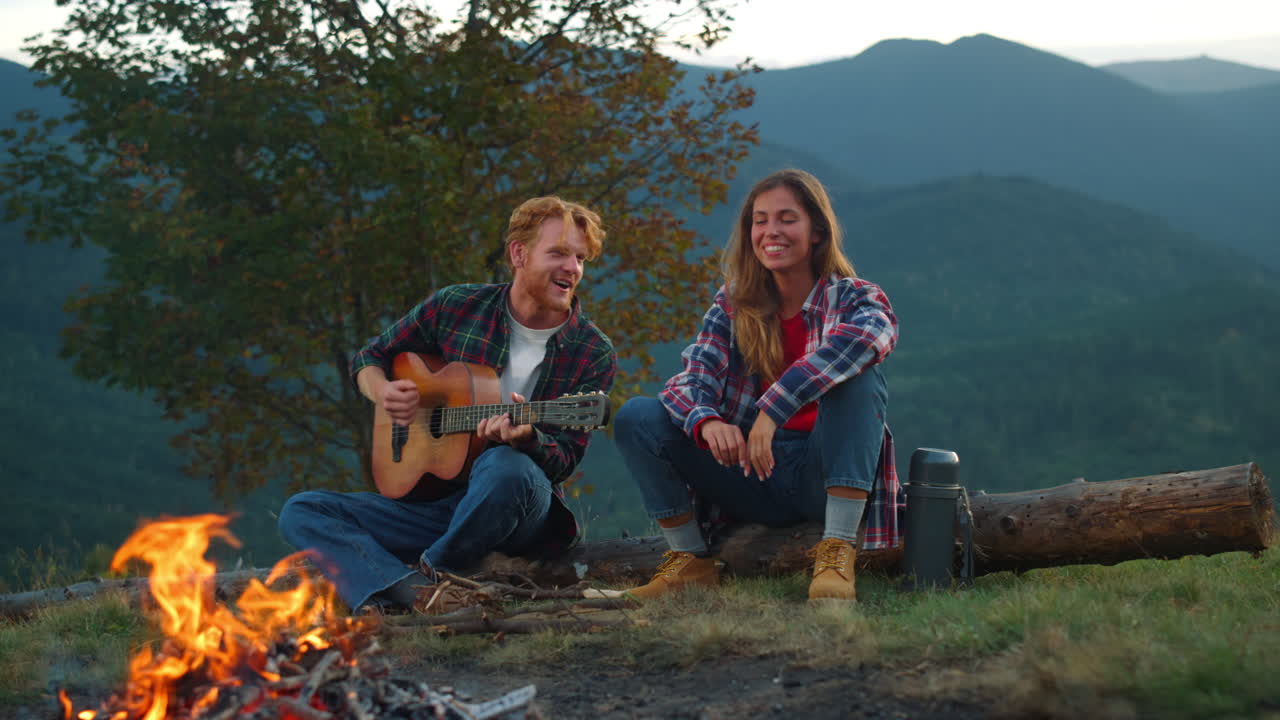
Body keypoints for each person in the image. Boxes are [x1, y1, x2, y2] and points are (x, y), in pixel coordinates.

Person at [278, 196, 616, 615]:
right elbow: (370, 357)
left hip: (515, 507)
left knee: (504, 467)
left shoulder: (592, 350)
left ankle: (431, 574)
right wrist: (382, 391)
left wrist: (528, 440)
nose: (573, 269)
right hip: (432, 508)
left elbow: (564, 459)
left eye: (580, 258)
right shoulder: (457, 306)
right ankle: (413, 591)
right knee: (303, 510)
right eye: (559, 253)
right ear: (519, 253)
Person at [614, 169, 900, 604]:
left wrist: (773, 409)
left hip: (820, 476)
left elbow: (873, 338)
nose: (771, 231)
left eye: (787, 219)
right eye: (760, 220)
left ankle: (837, 550)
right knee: (637, 416)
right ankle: (691, 561)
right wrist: (707, 422)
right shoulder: (734, 303)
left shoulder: (854, 297)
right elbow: (691, 379)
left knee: (857, 378)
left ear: (817, 231)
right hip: (751, 474)